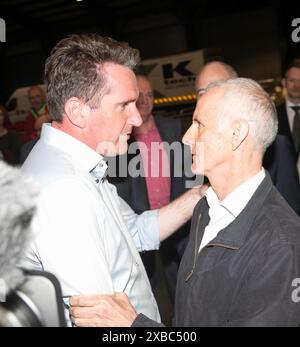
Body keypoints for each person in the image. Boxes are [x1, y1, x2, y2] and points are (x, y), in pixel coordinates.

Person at [70, 78, 300, 327]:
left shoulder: (282, 246)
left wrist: (134, 327)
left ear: (237, 134)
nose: (187, 138)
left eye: (198, 124)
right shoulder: (205, 208)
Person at [21, 33, 203, 325]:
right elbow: (103, 324)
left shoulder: (81, 168)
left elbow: (134, 232)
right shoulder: (64, 192)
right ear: (77, 111)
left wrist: (199, 195)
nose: (136, 118)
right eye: (124, 105)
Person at [108, 74, 189, 302]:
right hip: (138, 224)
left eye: (150, 94)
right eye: (138, 96)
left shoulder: (172, 128)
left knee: (182, 284)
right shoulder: (120, 135)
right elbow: (118, 183)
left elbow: (187, 173)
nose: (145, 101)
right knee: (144, 288)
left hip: (174, 222)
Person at [195, 61, 300, 215]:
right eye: (202, 92)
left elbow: (290, 211)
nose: (208, 98)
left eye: (216, 88)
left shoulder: (277, 146)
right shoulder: (192, 149)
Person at [277, 61, 300, 162]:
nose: (297, 86)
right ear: (284, 83)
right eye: (292, 80)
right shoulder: (273, 114)